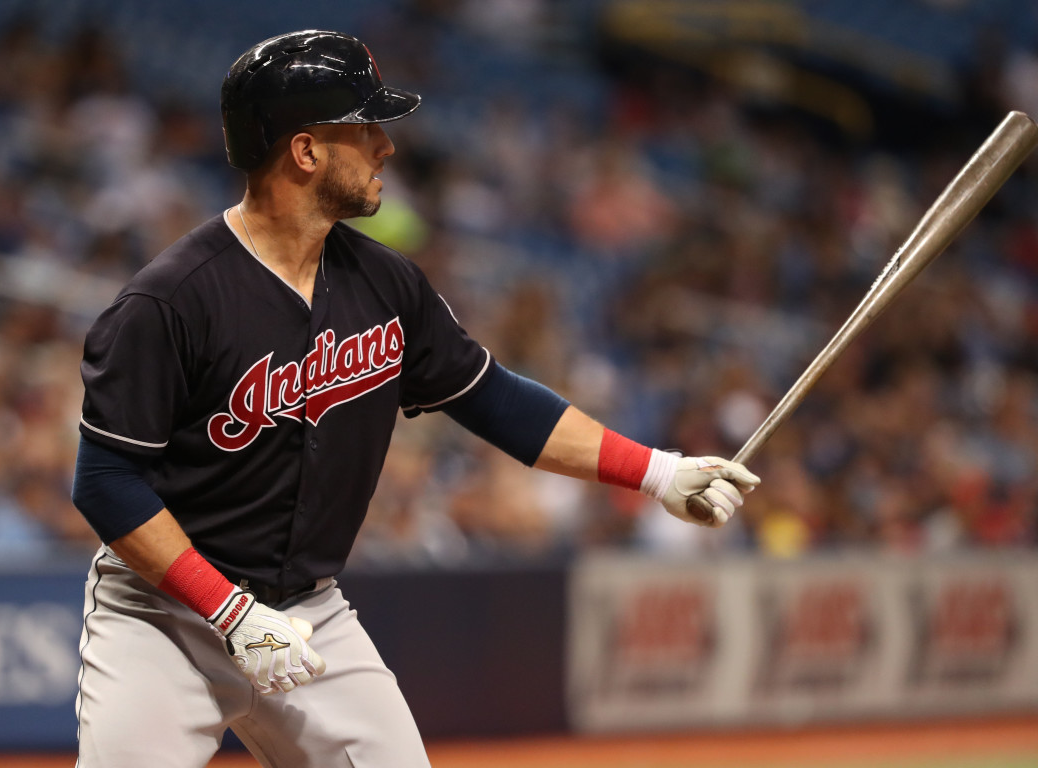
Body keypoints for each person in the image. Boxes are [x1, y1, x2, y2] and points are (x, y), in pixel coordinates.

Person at [70, 29, 761, 768]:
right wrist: (228, 610)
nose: (385, 147)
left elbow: (496, 400)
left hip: (307, 610)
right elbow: (107, 483)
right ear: (305, 152)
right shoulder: (170, 299)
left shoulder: (388, 285)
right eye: (364, 127)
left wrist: (658, 473)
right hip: (166, 617)